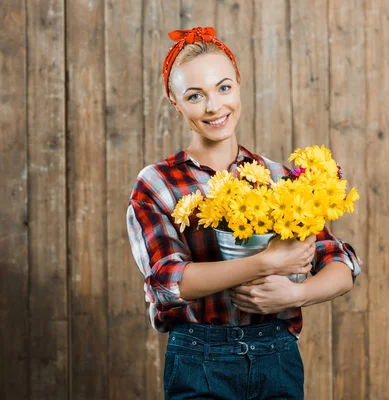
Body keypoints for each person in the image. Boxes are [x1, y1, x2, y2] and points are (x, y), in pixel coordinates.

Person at [126, 26, 361, 399]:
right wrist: (266, 263)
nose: (214, 107)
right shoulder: (157, 184)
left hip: (277, 354)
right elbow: (170, 281)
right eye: (194, 95)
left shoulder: (281, 178)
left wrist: (295, 295)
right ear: (174, 102)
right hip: (197, 357)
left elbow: (342, 264)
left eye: (223, 88)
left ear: (239, 84)